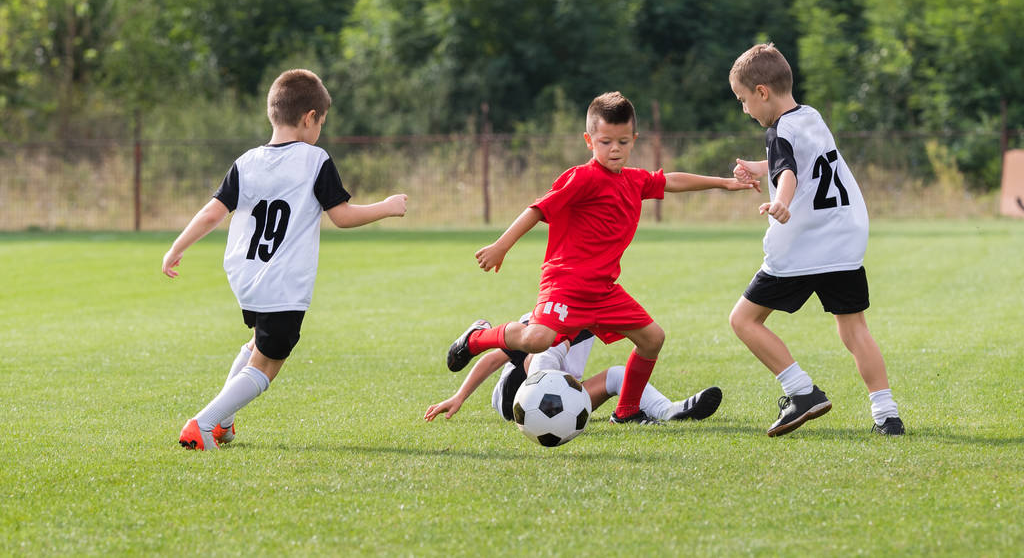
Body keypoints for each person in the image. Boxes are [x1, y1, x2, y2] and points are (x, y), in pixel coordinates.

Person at [445, 90, 755, 425]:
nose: (615, 149)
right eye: (606, 141)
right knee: (537, 339)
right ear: (589, 141)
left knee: (653, 339)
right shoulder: (582, 177)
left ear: (634, 140)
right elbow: (537, 209)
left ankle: (627, 411)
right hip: (564, 283)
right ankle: (477, 338)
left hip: (603, 291)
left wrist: (725, 183)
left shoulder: (634, 181)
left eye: (623, 141)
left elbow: (670, 181)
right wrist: (501, 246)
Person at [162, 69, 408, 450]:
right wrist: (387, 207)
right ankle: (203, 423)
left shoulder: (246, 162)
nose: (320, 131)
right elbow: (341, 216)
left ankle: (224, 423)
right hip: (284, 283)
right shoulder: (314, 160)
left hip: (247, 277)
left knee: (255, 346)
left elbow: (212, 213)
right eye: (321, 123)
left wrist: (176, 247)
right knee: (267, 364)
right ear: (310, 117)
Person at [727, 43, 904, 437]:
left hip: (805, 245)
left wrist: (781, 203)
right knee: (854, 329)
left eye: (743, 100)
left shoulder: (777, 133)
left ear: (762, 92)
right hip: (844, 240)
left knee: (743, 319)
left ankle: (800, 392)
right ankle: (887, 415)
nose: (744, 110)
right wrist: (756, 168)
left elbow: (788, 173)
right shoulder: (810, 118)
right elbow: (799, 162)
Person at [426, 314, 723, 424]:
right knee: (542, 354)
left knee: (618, 375)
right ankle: (480, 331)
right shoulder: (546, 319)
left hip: (565, 402)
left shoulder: (593, 316)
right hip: (516, 399)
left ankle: (670, 410)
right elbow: (493, 359)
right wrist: (459, 397)